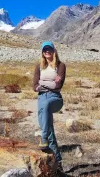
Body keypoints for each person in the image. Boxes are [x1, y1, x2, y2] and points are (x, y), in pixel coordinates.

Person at [33, 41, 66, 171]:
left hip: (55, 98)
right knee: (49, 129)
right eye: (45, 50)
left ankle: (43, 137)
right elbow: (34, 86)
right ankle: (58, 163)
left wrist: (43, 83)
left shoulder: (60, 66)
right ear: (42, 52)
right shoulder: (39, 66)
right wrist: (49, 82)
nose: (47, 51)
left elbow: (58, 85)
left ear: (54, 51)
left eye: (49, 49)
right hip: (41, 98)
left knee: (46, 128)